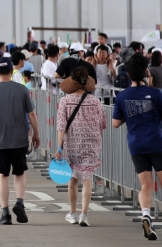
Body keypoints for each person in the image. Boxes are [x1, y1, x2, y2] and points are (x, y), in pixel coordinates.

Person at [113, 54, 162, 240]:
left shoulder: (122, 96)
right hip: (157, 142)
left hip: (136, 144)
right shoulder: (156, 94)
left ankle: (146, 215)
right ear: (145, 71)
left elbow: (115, 123)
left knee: (145, 185)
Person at [0, 56, 40, 225]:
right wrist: (36, 134)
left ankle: (5, 214)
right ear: (12, 71)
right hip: (19, 139)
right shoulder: (22, 90)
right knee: (19, 173)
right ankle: (19, 202)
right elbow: (32, 114)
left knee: (2, 176)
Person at [55, 67, 106, 227]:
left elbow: (61, 126)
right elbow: (102, 125)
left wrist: (59, 148)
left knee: (73, 179)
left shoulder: (65, 101)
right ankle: (84, 214)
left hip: (72, 144)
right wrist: (96, 141)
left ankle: (72, 212)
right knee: (87, 178)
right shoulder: (95, 101)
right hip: (92, 142)